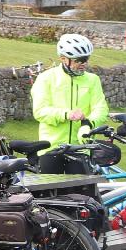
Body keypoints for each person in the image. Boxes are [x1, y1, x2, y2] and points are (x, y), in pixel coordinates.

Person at [31, 33, 108, 171]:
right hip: (51, 148)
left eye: (86, 59)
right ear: (63, 59)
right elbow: (40, 111)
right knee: (50, 192)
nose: (84, 64)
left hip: (81, 149)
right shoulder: (46, 78)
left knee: (82, 192)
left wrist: (88, 123)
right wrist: (66, 114)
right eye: (79, 60)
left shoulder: (92, 80)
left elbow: (101, 109)